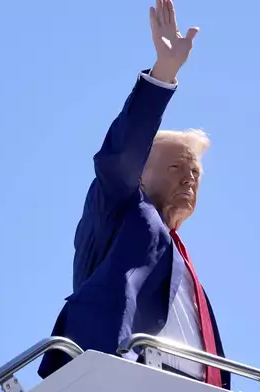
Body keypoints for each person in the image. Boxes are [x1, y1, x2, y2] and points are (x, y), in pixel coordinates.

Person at [37, 0, 230, 389]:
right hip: (121, 377)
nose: (189, 178)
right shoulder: (122, 208)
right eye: (176, 167)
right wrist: (164, 74)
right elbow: (121, 156)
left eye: (194, 171)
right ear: (141, 173)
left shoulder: (187, 270)